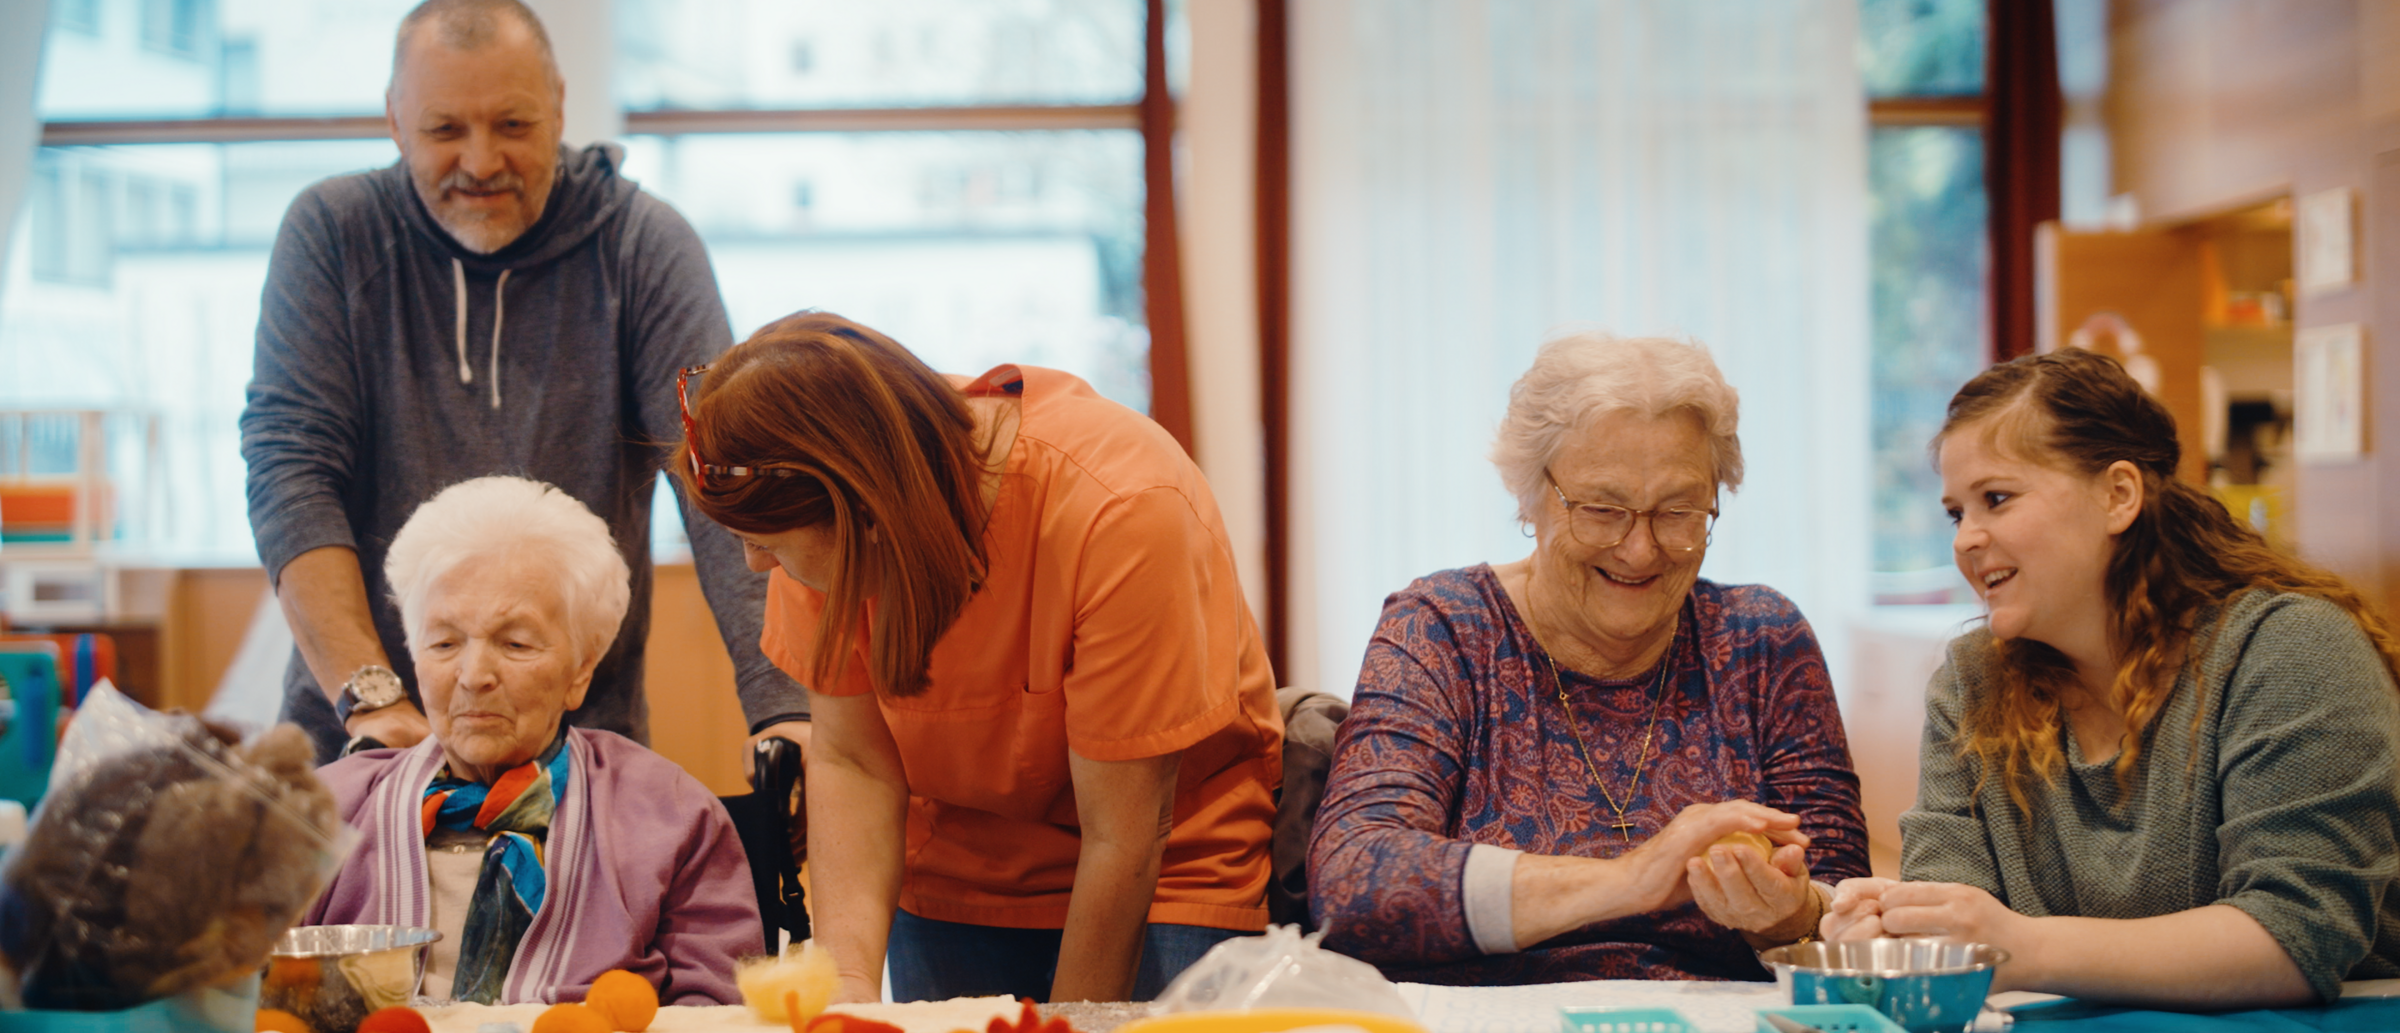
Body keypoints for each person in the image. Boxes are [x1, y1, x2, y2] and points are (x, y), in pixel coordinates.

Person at [239, 0, 810, 765]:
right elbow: (291, 471)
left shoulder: (641, 245)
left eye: (512, 125)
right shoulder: (333, 234)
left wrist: (781, 705)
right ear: (395, 119)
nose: (480, 162)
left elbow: (718, 469)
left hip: (577, 748)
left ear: (559, 106)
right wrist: (372, 696)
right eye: (446, 130)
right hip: (362, 733)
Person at [674, 312, 1282, 1003]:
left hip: (1166, 864)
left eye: (772, 544)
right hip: (957, 870)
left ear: (868, 513)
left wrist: (1068, 1024)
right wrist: (844, 989)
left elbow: (1125, 837)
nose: (757, 567)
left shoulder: (1122, 509)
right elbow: (852, 759)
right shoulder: (821, 507)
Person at [1821, 348, 2400, 1009]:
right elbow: (1955, 915)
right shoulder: (1971, 681)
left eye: (1997, 498)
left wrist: (2021, 946)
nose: (1965, 539)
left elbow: (2298, 936)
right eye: (1957, 512)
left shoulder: (2290, 650)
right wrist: (1898, 927)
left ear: (2118, 494)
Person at [1308, 331, 1869, 984]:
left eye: (1678, 510)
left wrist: (1787, 914)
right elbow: (1354, 881)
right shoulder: (1446, 628)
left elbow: (1847, 905)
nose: (1639, 549)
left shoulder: (1761, 640)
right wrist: (1630, 879)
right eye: (1602, 510)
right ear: (1531, 495)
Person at [307, 476, 759, 1005]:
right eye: (445, 642)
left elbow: (720, 1010)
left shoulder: (670, 816)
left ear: (581, 670)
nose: (474, 675)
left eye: (515, 643)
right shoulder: (322, 813)